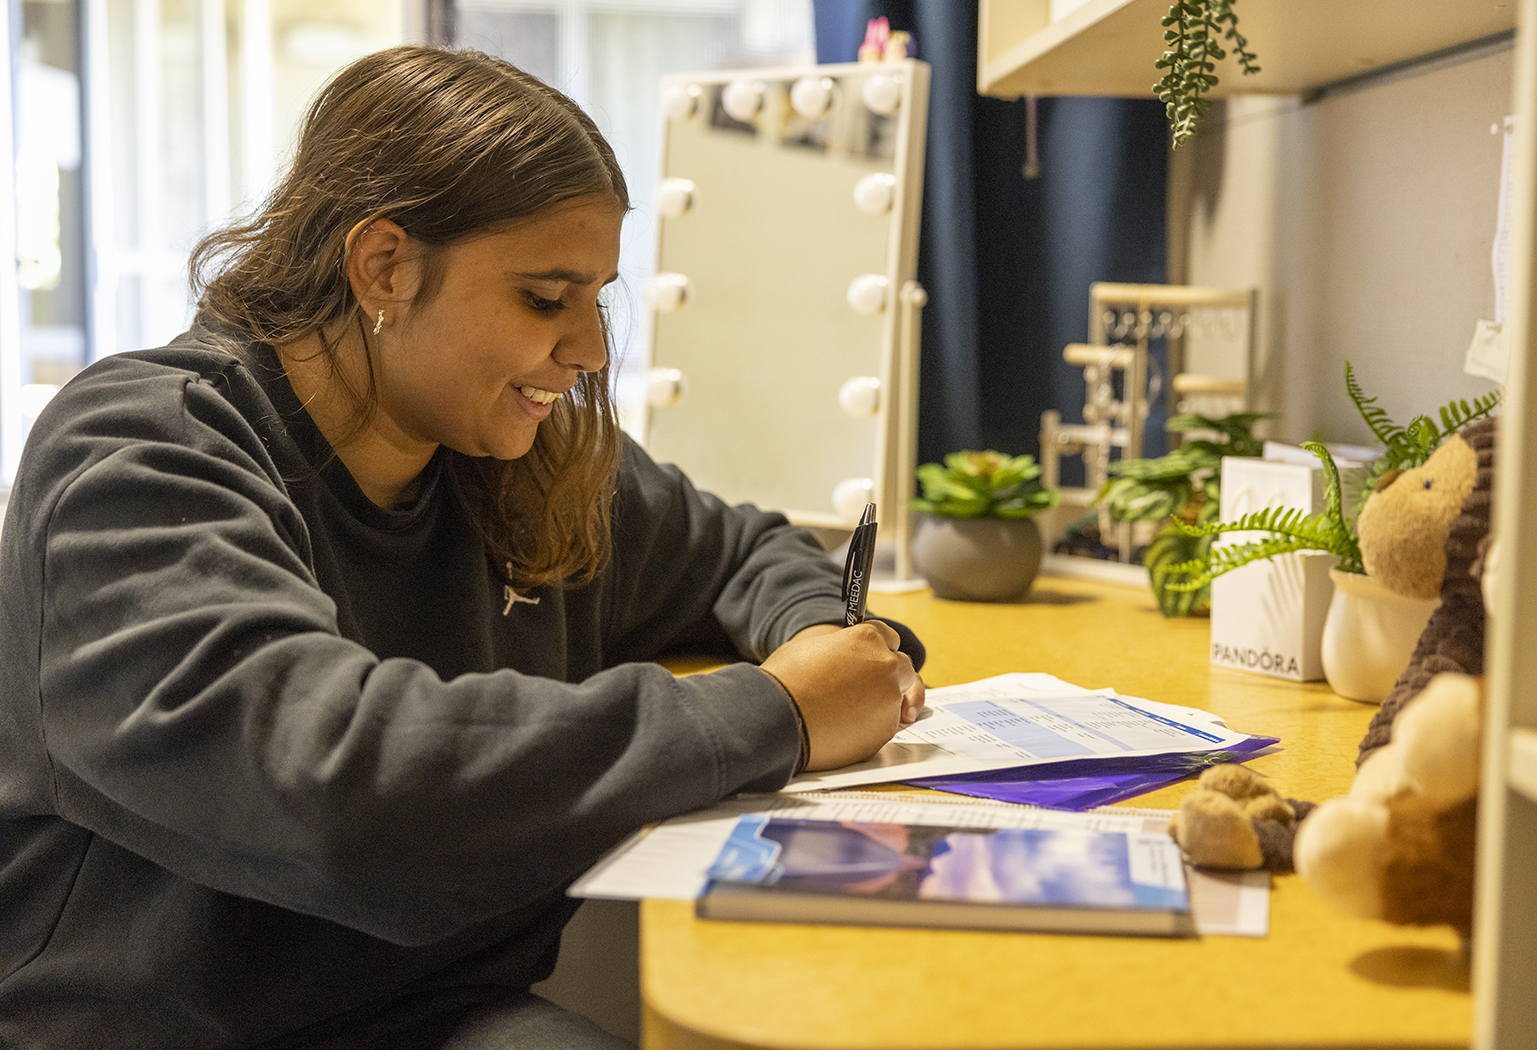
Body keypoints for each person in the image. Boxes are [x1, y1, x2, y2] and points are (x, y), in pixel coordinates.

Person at [0, 45, 924, 1049]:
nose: (589, 351)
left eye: (596, 297)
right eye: (544, 297)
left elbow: (741, 550)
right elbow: (336, 787)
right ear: (384, 266)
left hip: (440, 1011)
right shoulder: (139, 455)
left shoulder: (525, 455)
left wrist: (829, 638)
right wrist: (777, 710)